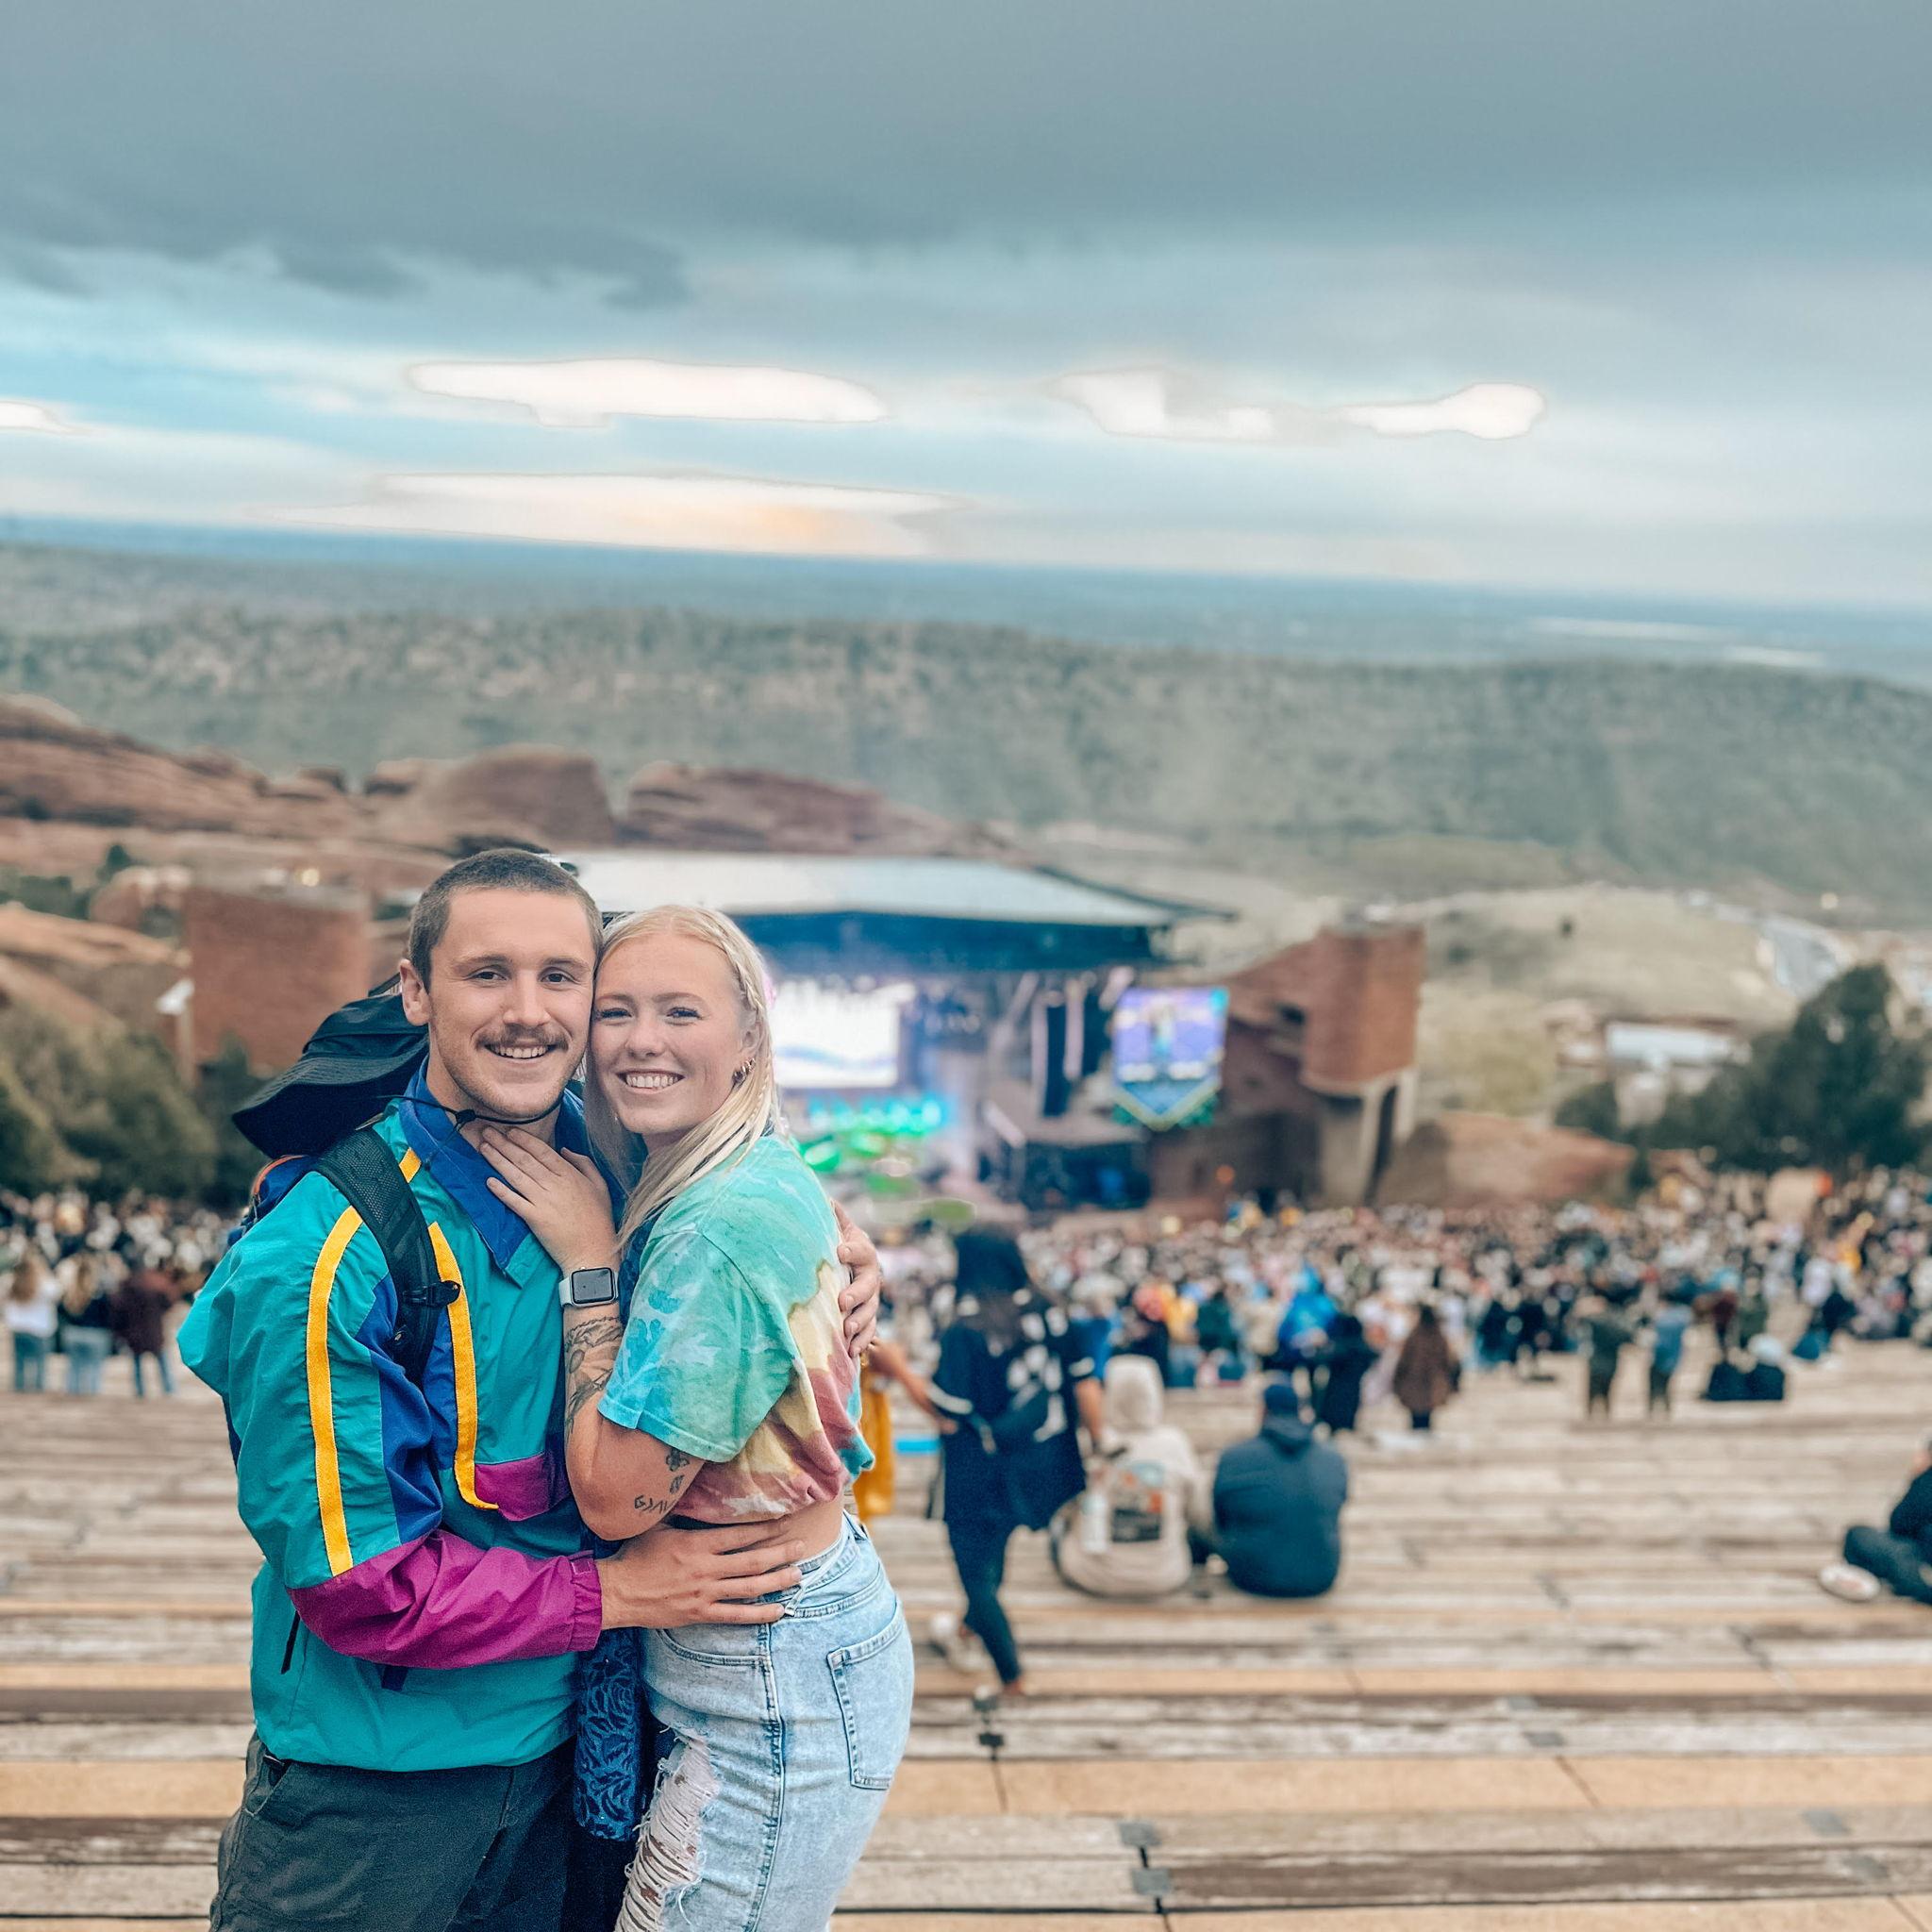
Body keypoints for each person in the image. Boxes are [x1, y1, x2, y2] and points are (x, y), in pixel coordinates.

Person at [177, 852, 883, 1932]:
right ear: (415, 991)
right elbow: (362, 1582)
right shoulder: (326, 1252)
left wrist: (832, 1252)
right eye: (486, 974)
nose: (527, 1013)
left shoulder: (597, 1158)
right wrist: (625, 1594)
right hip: (380, 1788)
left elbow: (736, 1196)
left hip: (570, 1758)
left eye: (562, 979)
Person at [478, 902, 912, 1932]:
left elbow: (621, 1493)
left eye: (681, 1010)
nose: (640, 1039)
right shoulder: (704, 1166)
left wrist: (589, 1268)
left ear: (749, 1036)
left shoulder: (718, 1221)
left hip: (766, 1661)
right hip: (762, 1632)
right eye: (617, 1010)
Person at [928, 1226, 1104, 1695]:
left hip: (976, 1469)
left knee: (973, 1570)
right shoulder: (1052, 1313)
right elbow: (1085, 1384)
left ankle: (1012, 1676)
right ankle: (969, 1628)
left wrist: (898, 1368)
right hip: (1042, 1461)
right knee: (996, 1550)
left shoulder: (965, 1327)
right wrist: (1101, 1444)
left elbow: (948, 1417)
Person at [1053, 1355, 1210, 1599]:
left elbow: (1060, 1508)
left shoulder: (1087, 1442)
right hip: (1165, 1574)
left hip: (1092, 1574)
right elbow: (1198, 1511)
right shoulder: (1173, 1444)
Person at [1211, 1381, 1349, 1598]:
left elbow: (1220, 1516)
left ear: (1263, 1410)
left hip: (1252, 1576)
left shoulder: (1235, 1455)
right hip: (1320, 1575)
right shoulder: (1332, 1457)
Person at [1821, 1439, 1932, 1604]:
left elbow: (1899, 1524)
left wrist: (1919, 1475)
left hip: (1918, 1564)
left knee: (1858, 1535)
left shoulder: (1928, 1480)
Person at [115, 1254, 176, 1397]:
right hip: (153, 1330)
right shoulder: (154, 1284)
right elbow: (167, 1303)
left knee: (137, 1364)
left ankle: (140, 1390)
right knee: (162, 1362)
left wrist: (120, 1332)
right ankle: (169, 1389)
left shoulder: (126, 1285)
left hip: (134, 1332)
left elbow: (118, 1311)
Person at [1308, 1311, 1379, 1437]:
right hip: (1353, 1393)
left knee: (1335, 1425)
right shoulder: (1362, 1347)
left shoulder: (1341, 1348)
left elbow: (1319, 1359)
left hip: (1335, 1393)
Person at [56, 1253, 115, 1397]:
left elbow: (61, 1311)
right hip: (96, 1334)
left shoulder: (70, 1291)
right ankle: (91, 1399)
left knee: (73, 1368)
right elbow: (108, 1315)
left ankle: (72, 1396)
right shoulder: (100, 1293)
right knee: (94, 1369)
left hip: (73, 1333)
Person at [1391, 1302, 1457, 1431]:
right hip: (1432, 1383)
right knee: (1427, 1414)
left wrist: (1397, 1381)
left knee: (1416, 1415)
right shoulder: (1440, 1338)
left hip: (1415, 1381)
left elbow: (1403, 1361)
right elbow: (1449, 1362)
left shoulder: (1414, 1337)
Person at [4, 1244, 58, 1392]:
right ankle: (37, 1393)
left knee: (20, 1365)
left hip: (18, 1329)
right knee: (39, 1365)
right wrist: (45, 1271)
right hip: (39, 1330)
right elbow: (57, 1293)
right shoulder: (44, 1284)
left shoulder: (10, 1282)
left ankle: (20, 1391)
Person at [1578, 1295, 1635, 1420]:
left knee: (1594, 1389)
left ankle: (1591, 1414)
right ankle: (1606, 1413)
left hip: (1598, 1359)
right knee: (1607, 1389)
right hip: (1611, 1358)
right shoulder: (1617, 1319)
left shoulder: (1597, 1321)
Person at [1647, 1297, 1691, 1416]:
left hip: (1660, 1358)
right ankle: (1667, 1410)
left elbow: (1659, 1344)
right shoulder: (1681, 1318)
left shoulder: (1663, 1322)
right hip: (1673, 1358)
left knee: (1655, 1385)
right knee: (1667, 1386)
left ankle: (1652, 1410)